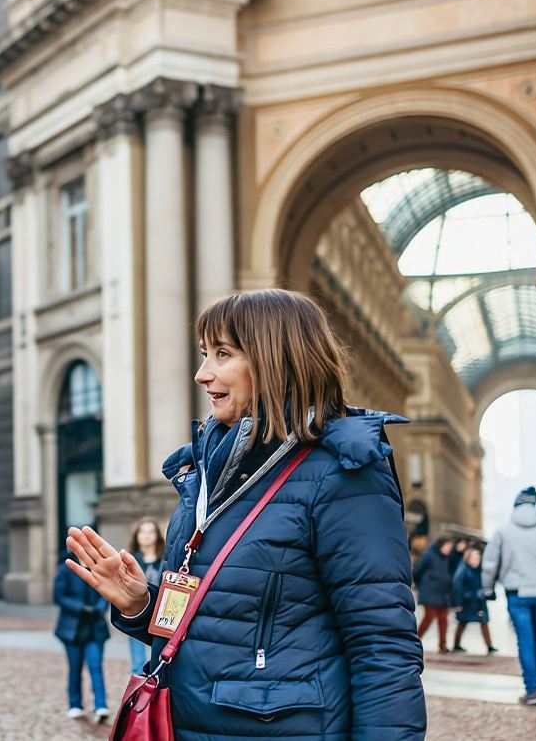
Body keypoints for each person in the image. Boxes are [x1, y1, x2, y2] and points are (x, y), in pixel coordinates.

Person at [67, 289, 426, 739]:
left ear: (276, 359)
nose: (202, 374)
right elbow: (228, 620)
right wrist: (143, 605)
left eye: (223, 353)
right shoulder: (205, 473)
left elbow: (382, 646)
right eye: (204, 354)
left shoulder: (345, 475)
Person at [482, 485, 536, 706]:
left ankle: (532, 689)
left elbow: (490, 563)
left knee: (526, 640)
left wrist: (487, 587)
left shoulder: (503, 532)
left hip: (516, 592)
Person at [53, 554, 110, 724]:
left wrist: (99, 609)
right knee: (75, 667)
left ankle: (101, 706)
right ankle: (75, 704)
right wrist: (82, 609)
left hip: (95, 627)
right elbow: (58, 596)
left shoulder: (100, 566)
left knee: (96, 666)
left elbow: (106, 592)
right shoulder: (66, 569)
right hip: (72, 629)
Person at [124, 518, 165, 674]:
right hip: (139, 615)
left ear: (157, 535)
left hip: (161, 616)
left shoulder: (166, 559)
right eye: (143, 531)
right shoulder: (130, 560)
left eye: (151, 531)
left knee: (161, 662)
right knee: (138, 664)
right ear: (137, 535)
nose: (147, 536)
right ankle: (140, 696)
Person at [414, 537, 456, 653]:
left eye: (450, 547)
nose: (448, 549)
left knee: (443, 620)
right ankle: (415, 641)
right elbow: (416, 571)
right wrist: (423, 584)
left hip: (443, 593)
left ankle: (442, 645)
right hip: (430, 592)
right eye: (446, 546)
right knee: (429, 617)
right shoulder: (428, 556)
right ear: (440, 545)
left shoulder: (447, 558)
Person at [452, 545, 495, 654]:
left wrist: (489, 594)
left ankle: (490, 647)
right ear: (468, 558)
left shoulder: (480, 570)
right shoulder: (463, 570)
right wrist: (458, 603)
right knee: (462, 622)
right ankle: (456, 645)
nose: (477, 560)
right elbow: (457, 587)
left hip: (479, 602)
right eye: (474, 558)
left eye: (478, 558)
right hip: (467, 602)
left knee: (484, 622)